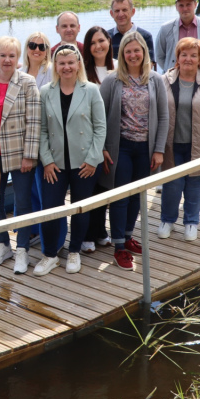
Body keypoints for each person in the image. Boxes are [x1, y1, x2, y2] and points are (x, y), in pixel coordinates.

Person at [99, 32, 168, 270]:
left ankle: (128, 235)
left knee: (138, 194)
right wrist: (104, 148)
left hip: (145, 148)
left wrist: (158, 149)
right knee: (120, 196)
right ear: (122, 54)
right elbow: (99, 117)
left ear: (144, 53)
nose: (133, 55)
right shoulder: (112, 80)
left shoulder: (156, 80)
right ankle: (118, 247)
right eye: (128, 51)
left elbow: (164, 116)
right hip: (121, 148)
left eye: (137, 50)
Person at [35, 44, 106, 276]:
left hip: (83, 162)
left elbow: (100, 127)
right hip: (54, 164)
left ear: (78, 65)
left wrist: (93, 159)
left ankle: (74, 250)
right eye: (61, 63)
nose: (66, 67)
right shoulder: (46, 91)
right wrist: (46, 160)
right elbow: (42, 130)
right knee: (50, 209)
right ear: (55, 65)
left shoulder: (92, 90)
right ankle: (50, 254)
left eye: (70, 63)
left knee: (80, 208)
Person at [0, 36, 41, 275]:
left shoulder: (27, 82)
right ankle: (3, 245)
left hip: (19, 154)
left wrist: (29, 155)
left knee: (23, 203)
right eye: (2, 55)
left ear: (18, 58)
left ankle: (22, 248)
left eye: (12, 56)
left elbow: (34, 121)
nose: (7, 60)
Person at [158, 38, 200, 241]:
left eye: (193, 55)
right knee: (172, 184)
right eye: (184, 54)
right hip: (171, 143)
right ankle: (167, 220)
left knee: (195, 184)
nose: (188, 59)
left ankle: (191, 222)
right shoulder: (163, 80)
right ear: (177, 58)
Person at [21, 32, 65, 251]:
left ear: (48, 49)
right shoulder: (18, 72)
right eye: (32, 45)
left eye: (42, 46)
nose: (36, 49)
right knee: (30, 193)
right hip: (23, 142)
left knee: (48, 192)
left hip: (47, 140)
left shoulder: (52, 72)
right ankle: (36, 231)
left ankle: (55, 243)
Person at [80, 26, 117, 253]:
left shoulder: (118, 68)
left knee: (106, 187)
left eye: (101, 40)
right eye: (92, 43)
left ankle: (101, 229)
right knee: (90, 187)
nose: (98, 46)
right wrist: (99, 145)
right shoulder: (84, 72)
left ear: (108, 41)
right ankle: (87, 234)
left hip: (116, 137)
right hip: (91, 139)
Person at [155, 0, 200, 72]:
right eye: (181, 5)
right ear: (176, 7)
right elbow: (159, 56)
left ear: (195, 4)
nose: (185, 8)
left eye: (188, 4)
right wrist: (171, 72)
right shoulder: (165, 29)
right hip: (173, 79)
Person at [108, 0, 155, 64]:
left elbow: (149, 64)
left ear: (132, 12)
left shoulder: (145, 36)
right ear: (112, 14)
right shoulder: (106, 37)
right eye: (117, 11)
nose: (121, 14)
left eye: (124, 10)